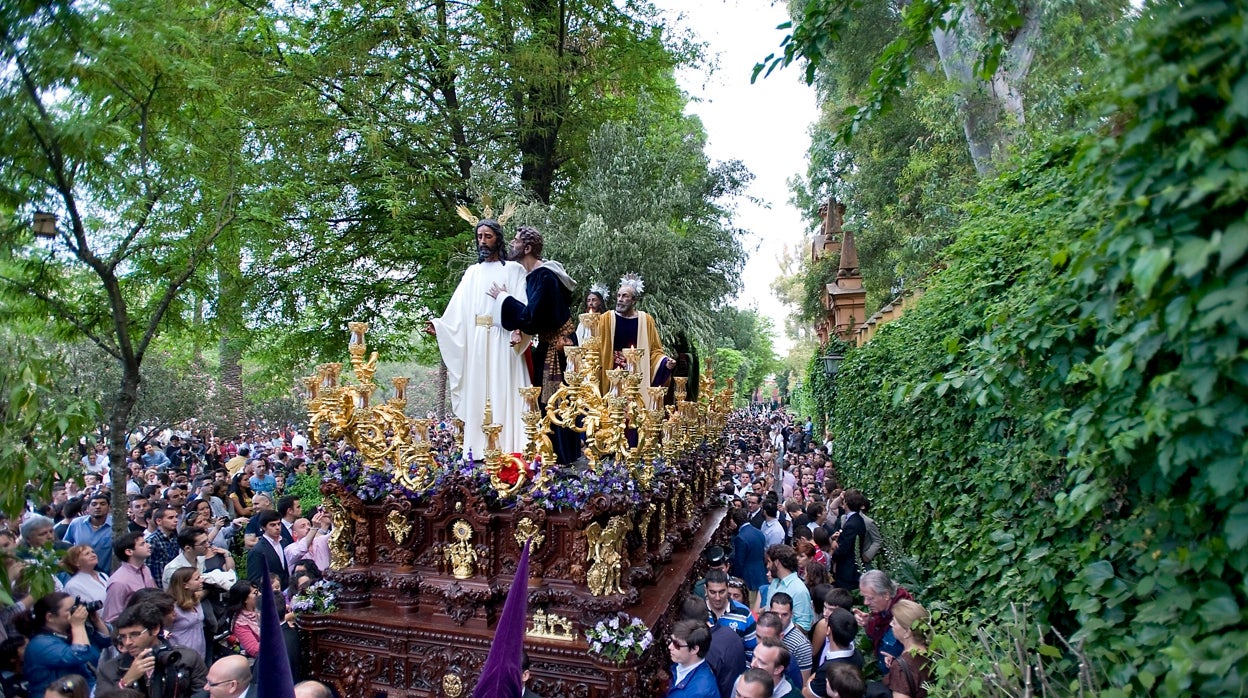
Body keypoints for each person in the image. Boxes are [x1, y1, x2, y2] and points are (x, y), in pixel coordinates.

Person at [430, 217, 530, 459]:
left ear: (498, 239)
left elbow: (523, 307)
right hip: (477, 342)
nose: (483, 241)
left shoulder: (514, 270)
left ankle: (509, 449)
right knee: (480, 393)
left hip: (503, 338)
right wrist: (441, 328)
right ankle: (478, 451)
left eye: (488, 236)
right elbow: (458, 309)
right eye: (479, 236)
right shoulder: (472, 272)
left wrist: (518, 330)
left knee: (505, 388)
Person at [488, 224, 581, 463]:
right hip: (549, 343)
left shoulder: (544, 276)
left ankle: (562, 458)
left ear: (527, 247)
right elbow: (535, 315)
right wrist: (518, 328)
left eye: (516, 241)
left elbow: (532, 316)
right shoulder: (534, 276)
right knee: (547, 399)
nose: (511, 244)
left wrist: (503, 298)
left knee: (556, 400)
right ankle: (551, 453)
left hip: (559, 347)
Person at [97, 603, 209, 698]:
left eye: (135, 634)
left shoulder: (186, 658)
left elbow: (205, 692)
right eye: (123, 636)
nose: (127, 642)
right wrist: (126, 681)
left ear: (155, 629)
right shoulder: (109, 669)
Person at [594, 273, 675, 395]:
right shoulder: (606, 319)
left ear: (634, 300)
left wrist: (664, 362)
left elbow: (655, 350)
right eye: (618, 296)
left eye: (625, 296)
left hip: (637, 371)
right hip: (612, 371)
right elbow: (595, 347)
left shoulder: (646, 320)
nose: (620, 299)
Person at [23, 593, 112, 698]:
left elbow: (106, 642)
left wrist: (96, 620)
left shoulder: (70, 632)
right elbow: (78, 655)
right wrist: (78, 625)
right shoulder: (39, 644)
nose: (76, 612)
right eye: (70, 609)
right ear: (50, 617)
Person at [854, 571, 910, 675]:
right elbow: (875, 636)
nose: (865, 602)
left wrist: (898, 663)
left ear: (886, 595)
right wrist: (868, 623)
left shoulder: (905, 616)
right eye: (864, 597)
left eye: (870, 598)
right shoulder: (882, 612)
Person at [102, 532, 157, 623]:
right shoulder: (119, 582)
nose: (149, 545)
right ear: (129, 551)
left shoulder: (145, 569)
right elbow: (111, 618)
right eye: (142, 544)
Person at [703, 570, 757, 661]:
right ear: (705, 589)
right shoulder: (698, 611)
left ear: (727, 588)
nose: (717, 597)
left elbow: (752, 652)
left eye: (722, 592)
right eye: (712, 592)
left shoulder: (744, 614)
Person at [762, 545, 815, 633]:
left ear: (777, 562)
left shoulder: (799, 590)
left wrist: (781, 636)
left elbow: (803, 625)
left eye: (769, 562)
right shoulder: (775, 582)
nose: (767, 566)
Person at [667, 619, 718, 698]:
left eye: (676, 644)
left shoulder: (700, 692)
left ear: (694, 649)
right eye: (671, 641)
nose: (670, 647)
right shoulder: (680, 664)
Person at [63, 495, 112, 571]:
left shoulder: (117, 525)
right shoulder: (76, 523)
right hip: (80, 572)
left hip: (108, 574)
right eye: (94, 504)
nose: (98, 507)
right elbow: (66, 545)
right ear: (88, 508)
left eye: (102, 504)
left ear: (109, 508)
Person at [246, 511, 289, 591]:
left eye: (279, 524)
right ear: (263, 527)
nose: (277, 527)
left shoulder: (284, 542)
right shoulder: (257, 551)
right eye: (272, 525)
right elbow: (255, 580)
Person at [730, 509, 768, 599]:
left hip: (748, 577)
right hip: (761, 573)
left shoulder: (740, 538)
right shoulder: (759, 532)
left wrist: (734, 579)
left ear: (735, 522)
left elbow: (739, 562)